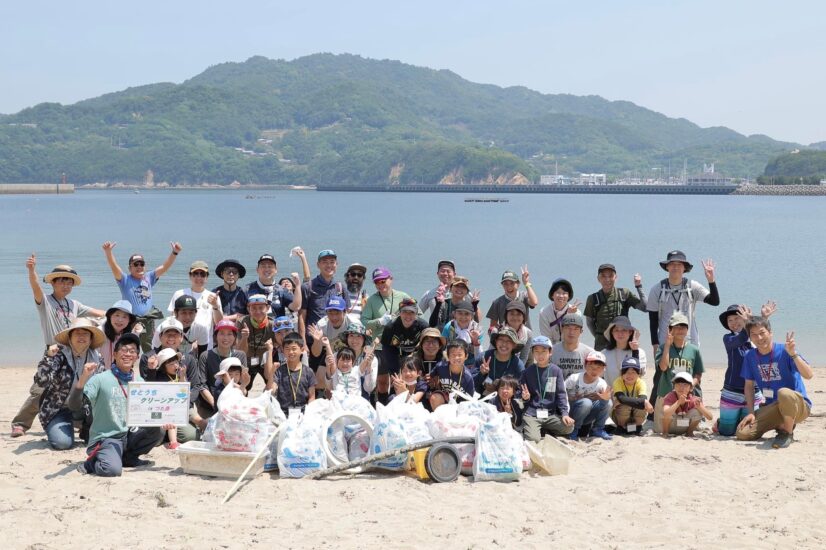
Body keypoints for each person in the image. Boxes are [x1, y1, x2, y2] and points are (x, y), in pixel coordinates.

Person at [13, 257, 104, 438]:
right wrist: (32, 271)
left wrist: (119, 315)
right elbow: (36, 289)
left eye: (69, 281)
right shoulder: (46, 302)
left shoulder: (74, 304)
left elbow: (98, 312)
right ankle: (21, 423)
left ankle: (73, 420)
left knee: (73, 386)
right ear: (53, 282)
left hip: (75, 351)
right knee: (40, 389)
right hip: (54, 352)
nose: (66, 285)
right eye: (62, 280)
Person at [68, 333, 170, 476]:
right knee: (112, 470)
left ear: (137, 357)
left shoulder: (139, 382)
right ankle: (91, 463)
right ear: (114, 355)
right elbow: (74, 406)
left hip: (129, 435)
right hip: (107, 437)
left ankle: (128, 457)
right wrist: (82, 380)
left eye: (132, 351)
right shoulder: (100, 379)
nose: (128, 354)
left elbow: (148, 413)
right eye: (124, 350)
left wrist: (163, 420)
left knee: (158, 430)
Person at [736, 319, 814, 448]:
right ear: (750, 337)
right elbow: (749, 386)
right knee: (743, 433)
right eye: (754, 334)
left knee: (783, 393)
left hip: (798, 405)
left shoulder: (785, 350)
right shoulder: (750, 356)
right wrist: (750, 412)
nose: (759, 338)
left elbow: (809, 375)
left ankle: (787, 433)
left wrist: (793, 354)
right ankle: (781, 423)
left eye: (762, 332)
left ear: (770, 333)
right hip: (774, 406)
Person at [34, 319, 106, 449]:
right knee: (63, 443)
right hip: (59, 408)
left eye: (85, 334)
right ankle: (59, 426)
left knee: (97, 440)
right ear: (69, 337)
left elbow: (102, 387)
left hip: (85, 408)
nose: (81, 336)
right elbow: (41, 381)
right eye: (77, 333)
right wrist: (48, 357)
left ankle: (86, 427)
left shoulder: (97, 358)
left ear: (91, 339)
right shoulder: (59, 355)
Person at [102, 240, 181, 352]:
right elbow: (114, 266)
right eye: (136, 264)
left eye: (141, 264)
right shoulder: (125, 280)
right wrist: (108, 252)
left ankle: (149, 367)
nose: (139, 267)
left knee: (149, 348)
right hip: (131, 320)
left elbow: (164, 267)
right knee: (128, 347)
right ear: (130, 268)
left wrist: (174, 252)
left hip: (148, 320)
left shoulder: (149, 278)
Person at [141, 317, 208, 441]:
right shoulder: (148, 358)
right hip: (158, 407)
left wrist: (184, 403)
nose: (171, 338)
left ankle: (176, 429)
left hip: (183, 406)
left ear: (181, 337)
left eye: (175, 334)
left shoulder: (189, 359)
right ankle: (165, 433)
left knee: (192, 436)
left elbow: (196, 386)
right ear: (160, 337)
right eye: (167, 334)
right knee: (157, 436)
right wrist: (151, 369)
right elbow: (145, 388)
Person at [717, 302, 775, 436]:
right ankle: (721, 422)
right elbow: (742, 337)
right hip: (732, 390)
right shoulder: (728, 339)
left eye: (737, 318)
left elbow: (765, 337)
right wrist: (747, 323)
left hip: (753, 391)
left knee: (748, 429)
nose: (733, 322)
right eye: (730, 320)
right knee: (727, 432)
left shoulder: (756, 339)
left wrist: (764, 318)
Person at [647, 250, 720, 355]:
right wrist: (655, 344)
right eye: (672, 264)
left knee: (690, 372)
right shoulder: (657, 289)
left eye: (679, 264)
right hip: (665, 342)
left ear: (684, 267)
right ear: (667, 267)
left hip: (689, 341)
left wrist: (711, 281)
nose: (675, 267)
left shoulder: (692, 286)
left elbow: (714, 301)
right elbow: (653, 320)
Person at [519, 336, 574, 442]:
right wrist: (525, 397)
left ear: (550, 352)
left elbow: (561, 394)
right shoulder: (527, 372)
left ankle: (546, 429)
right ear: (532, 353)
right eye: (536, 351)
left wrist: (564, 414)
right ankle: (537, 430)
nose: (540, 355)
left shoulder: (556, 371)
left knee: (569, 427)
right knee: (533, 439)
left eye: (544, 351)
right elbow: (519, 393)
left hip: (550, 414)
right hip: (532, 414)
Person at [584, 264, 647, 350]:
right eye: (603, 276)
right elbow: (589, 322)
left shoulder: (624, 293)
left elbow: (645, 307)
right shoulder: (593, 299)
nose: (607, 279)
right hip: (602, 345)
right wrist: (598, 336)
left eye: (610, 276)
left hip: (622, 342)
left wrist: (639, 286)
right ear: (598, 279)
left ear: (616, 277)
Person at [378, 297, 428, 403]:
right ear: (400, 313)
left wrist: (415, 356)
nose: (408, 316)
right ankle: (385, 403)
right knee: (396, 379)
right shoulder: (390, 327)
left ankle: (421, 400)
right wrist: (395, 372)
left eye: (412, 313)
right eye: (405, 312)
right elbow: (388, 350)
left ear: (416, 314)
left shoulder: (423, 326)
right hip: (396, 352)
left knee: (418, 378)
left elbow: (428, 346)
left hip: (417, 353)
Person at [146, 348, 198, 449]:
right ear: (163, 367)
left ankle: (207, 429)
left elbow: (184, 392)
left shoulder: (179, 375)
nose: (176, 366)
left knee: (197, 418)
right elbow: (150, 386)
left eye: (176, 362)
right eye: (171, 364)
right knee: (172, 420)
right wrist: (151, 369)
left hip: (181, 408)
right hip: (165, 410)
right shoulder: (160, 376)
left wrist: (182, 376)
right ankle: (173, 442)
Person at [167, 261, 224, 350]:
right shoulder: (179, 294)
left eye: (202, 274)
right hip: (180, 343)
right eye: (195, 274)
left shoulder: (213, 297)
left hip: (205, 345)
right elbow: (172, 320)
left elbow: (219, 323)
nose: (199, 277)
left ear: (207, 277)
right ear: (190, 276)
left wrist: (215, 306)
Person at [197, 319, 248, 418]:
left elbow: (243, 383)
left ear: (235, 337)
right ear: (215, 336)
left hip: (235, 402)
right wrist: (216, 404)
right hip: (210, 403)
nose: (226, 338)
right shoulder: (206, 355)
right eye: (221, 333)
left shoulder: (240, 355)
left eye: (230, 334)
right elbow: (202, 385)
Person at [653, 312, 705, 407]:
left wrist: (691, 385)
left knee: (692, 419)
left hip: (688, 395)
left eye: (683, 327)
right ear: (670, 329)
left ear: (687, 330)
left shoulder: (694, 349)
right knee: (665, 420)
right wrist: (667, 345)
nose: (680, 330)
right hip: (667, 394)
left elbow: (698, 373)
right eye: (677, 327)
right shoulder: (662, 348)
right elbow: (663, 367)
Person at [308, 295, 353, 396]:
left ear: (345, 312)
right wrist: (316, 341)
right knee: (320, 380)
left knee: (342, 380)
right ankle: (326, 399)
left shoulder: (352, 323)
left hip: (351, 354)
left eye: (337, 313)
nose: (334, 317)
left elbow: (359, 346)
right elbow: (316, 353)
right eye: (330, 313)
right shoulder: (321, 325)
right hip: (331, 353)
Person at [565, 351, 613, 441]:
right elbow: (561, 393)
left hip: (587, 415)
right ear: (585, 365)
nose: (594, 370)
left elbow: (604, 405)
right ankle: (573, 429)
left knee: (609, 403)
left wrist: (605, 399)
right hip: (571, 413)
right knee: (586, 402)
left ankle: (597, 429)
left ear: (604, 369)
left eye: (598, 367)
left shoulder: (601, 383)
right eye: (591, 367)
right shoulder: (574, 378)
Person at [300, 249, 344, 344]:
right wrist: (302, 342)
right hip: (313, 341)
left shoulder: (340, 287)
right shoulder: (307, 287)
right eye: (325, 262)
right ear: (318, 264)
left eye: (332, 262)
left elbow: (346, 314)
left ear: (337, 264)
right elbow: (301, 316)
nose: (329, 265)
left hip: (336, 342)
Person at [361, 267, 413, 346]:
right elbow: (363, 322)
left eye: (383, 281)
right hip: (379, 346)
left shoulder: (403, 296)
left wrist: (404, 319)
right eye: (376, 282)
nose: (380, 285)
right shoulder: (371, 300)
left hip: (402, 345)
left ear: (391, 279)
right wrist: (380, 321)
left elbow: (419, 315)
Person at [245, 254, 303, 321]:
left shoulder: (282, 290)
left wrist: (298, 285)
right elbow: (240, 313)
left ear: (276, 270)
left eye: (270, 266)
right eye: (263, 266)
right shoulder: (247, 289)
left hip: (276, 329)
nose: (267, 269)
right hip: (253, 329)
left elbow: (296, 307)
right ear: (257, 270)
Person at [272, 332, 317, 417]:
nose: (291, 352)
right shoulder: (279, 371)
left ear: (302, 350)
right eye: (287, 349)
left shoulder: (308, 372)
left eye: (294, 348)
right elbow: (272, 390)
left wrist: (309, 414)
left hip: (303, 414)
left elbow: (312, 396)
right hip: (282, 415)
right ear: (283, 350)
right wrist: (272, 372)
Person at [237, 294, 276, 391]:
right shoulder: (242, 322)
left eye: (261, 308)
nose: (258, 311)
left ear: (267, 308)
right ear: (248, 309)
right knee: (244, 387)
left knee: (271, 386)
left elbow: (280, 344)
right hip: (248, 359)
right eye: (254, 308)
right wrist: (244, 338)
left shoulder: (272, 324)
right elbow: (240, 351)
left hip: (265, 360)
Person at [656, 372, 713, 437]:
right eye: (678, 384)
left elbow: (710, 417)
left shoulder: (693, 399)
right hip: (671, 427)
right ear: (674, 386)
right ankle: (665, 433)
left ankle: (689, 432)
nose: (681, 387)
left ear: (691, 388)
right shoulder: (670, 396)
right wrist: (678, 402)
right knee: (668, 411)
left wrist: (700, 407)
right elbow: (666, 413)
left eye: (685, 384)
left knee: (698, 411)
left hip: (684, 427)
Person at [475, 327, 525, 397]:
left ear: (514, 345)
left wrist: (501, 389)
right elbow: (471, 384)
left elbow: (519, 391)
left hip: (506, 403)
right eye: (501, 340)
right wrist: (482, 374)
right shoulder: (483, 357)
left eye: (509, 341)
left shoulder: (518, 365)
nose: (504, 344)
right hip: (481, 400)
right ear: (496, 341)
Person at [427, 340, 476, 410]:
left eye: (459, 355)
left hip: (460, 406)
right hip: (444, 400)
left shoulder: (468, 377)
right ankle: (439, 419)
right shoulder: (440, 367)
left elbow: (469, 399)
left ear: (466, 356)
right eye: (453, 355)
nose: (456, 358)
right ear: (448, 356)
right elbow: (429, 377)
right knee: (435, 397)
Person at [611, 357, 652, 436]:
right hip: (619, 417)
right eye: (626, 372)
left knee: (642, 406)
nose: (629, 375)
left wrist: (643, 401)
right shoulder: (618, 381)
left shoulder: (641, 383)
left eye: (633, 372)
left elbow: (642, 399)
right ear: (622, 374)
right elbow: (621, 398)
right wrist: (642, 401)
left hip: (635, 415)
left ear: (638, 374)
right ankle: (622, 427)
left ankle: (637, 427)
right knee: (624, 405)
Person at [338, 321, 378, 400]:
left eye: (359, 336)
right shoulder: (338, 356)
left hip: (361, 400)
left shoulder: (372, 359)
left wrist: (369, 366)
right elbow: (331, 382)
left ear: (364, 340)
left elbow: (369, 388)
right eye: (351, 336)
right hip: (340, 398)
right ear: (347, 338)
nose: (354, 340)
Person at [602, 316, 647, 387]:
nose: (620, 333)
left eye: (624, 330)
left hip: (632, 395)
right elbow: (599, 376)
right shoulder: (604, 353)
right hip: (611, 394)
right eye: (616, 330)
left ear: (630, 332)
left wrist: (635, 351)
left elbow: (640, 373)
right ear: (612, 333)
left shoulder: (640, 352)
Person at [440, 300, 483, 366]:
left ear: (472, 315)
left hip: (472, 363)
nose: (463, 317)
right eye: (460, 313)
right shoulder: (448, 327)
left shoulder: (477, 329)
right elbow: (443, 346)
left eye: (467, 314)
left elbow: (479, 355)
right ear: (454, 314)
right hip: (452, 362)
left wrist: (475, 342)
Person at [551, 314, 595, 378]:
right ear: (562, 329)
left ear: (581, 331)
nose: (571, 332)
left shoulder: (590, 353)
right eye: (568, 328)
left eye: (576, 329)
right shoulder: (551, 351)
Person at [100, 300, 140, 369]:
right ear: (110, 316)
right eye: (117, 315)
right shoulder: (100, 332)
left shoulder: (129, 335)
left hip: (118, 372)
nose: (120, 320)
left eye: (124, 317)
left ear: (129, 320)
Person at [538, 278, 580, 344]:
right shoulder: (544, 312)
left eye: (564, 293)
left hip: (570, 346)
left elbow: (572, 336)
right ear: (552, 295)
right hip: (551, 349)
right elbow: (546, 338)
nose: (561, 296)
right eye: (558, 292)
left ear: (569, 296)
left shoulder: (576, 312)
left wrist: (569, 316)